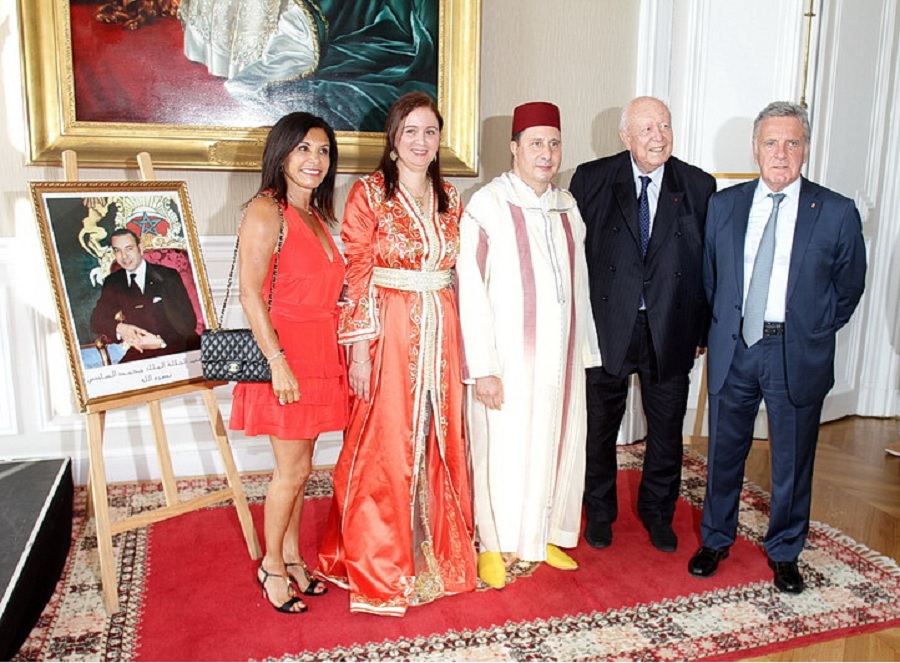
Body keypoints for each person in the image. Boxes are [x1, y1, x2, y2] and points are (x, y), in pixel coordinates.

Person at [688, 101, 866, 593]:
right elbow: (711, 278)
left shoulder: (835, 211)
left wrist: (811, 330)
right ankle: (716, 539)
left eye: (792, 143)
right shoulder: (725, 206)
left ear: (806, 149)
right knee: (724, 452)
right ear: (755, 148)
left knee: (791, 459)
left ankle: (785, 550)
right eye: (771, 143)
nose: (781, 153)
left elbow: (850, 285)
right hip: (736, 349)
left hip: (794, 353)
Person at [316, 92, 477, 615]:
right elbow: (357, 272)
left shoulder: (450, 196)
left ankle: (432, 552)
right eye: (411, 131)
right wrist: (359, 351)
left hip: (441, 329)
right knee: (385, 440)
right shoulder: (368, 194)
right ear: (393, 138)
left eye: (430, 132)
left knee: (437, 434)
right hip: (388, 329)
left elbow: (460, 272)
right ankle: (379, 560)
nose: (421, 141)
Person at [456, 101, 601, 590]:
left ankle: (544, 535)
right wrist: (484, 367)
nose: (546, 152)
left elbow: (579, 284)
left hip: (559, 360)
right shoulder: (487, 205)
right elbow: (469, 289)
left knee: (559, 445)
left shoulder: (569, 210)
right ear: (515, 148)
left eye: (554, 143)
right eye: (536, 143)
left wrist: (582, 352)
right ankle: (492, 544)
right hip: (506, 362)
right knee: (502, 450)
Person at [569, 96, 716, 553]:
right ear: (625, 136)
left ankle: (658, 514)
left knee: (667, 432)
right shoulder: (592, 179)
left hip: (670, 330)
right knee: (599, 429)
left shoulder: (698, 185)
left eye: (665, 127)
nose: (659, 137)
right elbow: (574, 256)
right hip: (608, 327)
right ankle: (600, 513)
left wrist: (703, 332)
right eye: (647, 129)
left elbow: (712, 268)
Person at [229, 112, 348, 613]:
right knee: (290, 471)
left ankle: (294, 558)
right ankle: (272, 566)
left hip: (322, 351)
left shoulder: (317, 214)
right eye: (303, 149)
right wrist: (276, 360)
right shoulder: (265, 209)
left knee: (303, 470)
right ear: (281, 154)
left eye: (322, 151)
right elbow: (250, 294)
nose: (314, 160)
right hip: (287, 354)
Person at [90, 228, 200, 363]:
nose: (124, 256)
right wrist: (121, 329)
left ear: (140, 249)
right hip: (141, 351)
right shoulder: (114, 282)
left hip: (177, 346)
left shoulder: (168, 275)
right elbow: (96, 320)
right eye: (118, 251)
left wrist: (160, 342)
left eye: (129, 248)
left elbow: (187, 323)